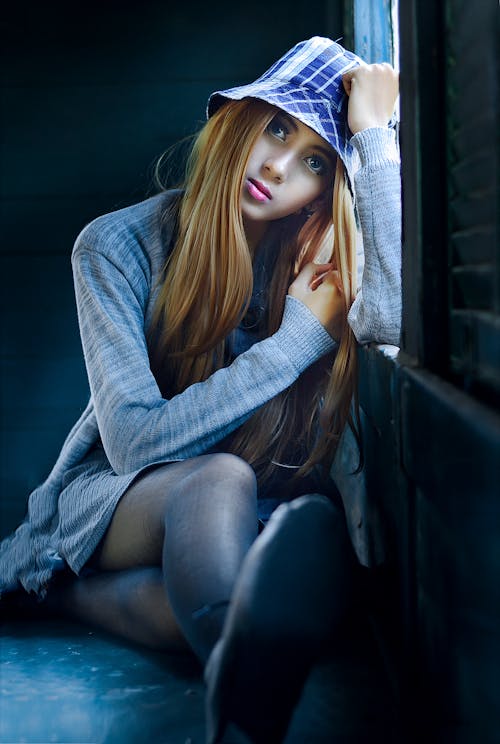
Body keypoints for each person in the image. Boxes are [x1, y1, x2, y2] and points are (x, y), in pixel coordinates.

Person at [0, 36, 400, 742]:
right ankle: (241, 686)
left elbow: (396, 311)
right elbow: (132, 444)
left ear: (325, 190)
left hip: (247, 517)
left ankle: (67, 596)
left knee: (273, 565)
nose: (277, 167)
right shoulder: (118, 246)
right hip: (122, 497)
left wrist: (372, 138)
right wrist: (296, 343)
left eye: (313, 161)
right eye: (276, 126)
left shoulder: (320, 258)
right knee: (215, 479)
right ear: (239, 118)